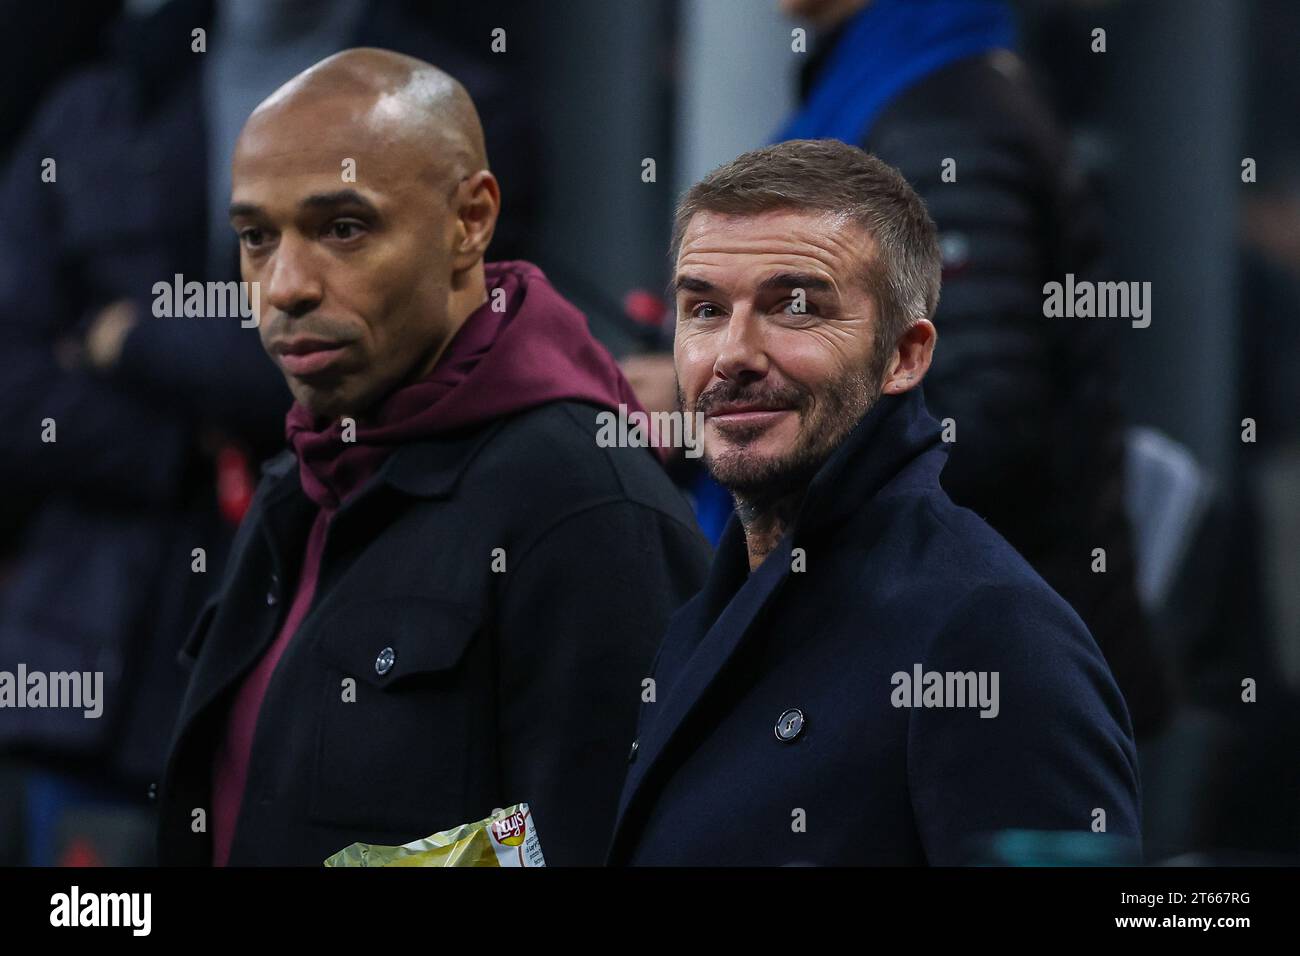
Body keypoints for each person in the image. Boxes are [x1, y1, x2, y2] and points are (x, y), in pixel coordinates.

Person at [156, 49, 710, 867]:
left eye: (343, 227)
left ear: (470, 221)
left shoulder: (588, 509)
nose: (285, 286)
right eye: (256, 238)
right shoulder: (300, 485)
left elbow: (598, 846)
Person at [607, 140, 1141, 866]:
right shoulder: (702, 617)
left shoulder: (989, 630)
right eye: (703, 309)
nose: (731, 353)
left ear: (905, 356)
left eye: (794, 307)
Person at [773, 0, 1172, 738]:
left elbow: (981, 424)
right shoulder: (914, 86)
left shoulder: (942, 116)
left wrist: (753, 406)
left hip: (983, 674)